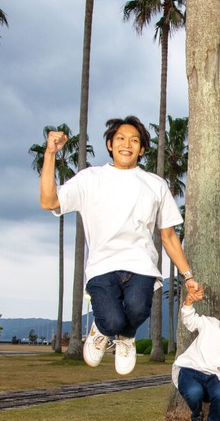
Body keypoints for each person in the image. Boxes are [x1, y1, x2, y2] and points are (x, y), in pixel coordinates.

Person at [39, 116, 203, 374]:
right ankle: (101, 331)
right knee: (112, 319)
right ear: (109, 144)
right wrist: (50, 154)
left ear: (142, 149)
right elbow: (49, 202)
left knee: (138, 309)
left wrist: (188, 275)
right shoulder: (90, 178)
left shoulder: (155, 185)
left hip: (141, 265)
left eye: (134, 140)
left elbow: (169, 236)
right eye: (121, 139)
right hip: (102, 265)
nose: (127, 144)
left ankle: (126, 338)